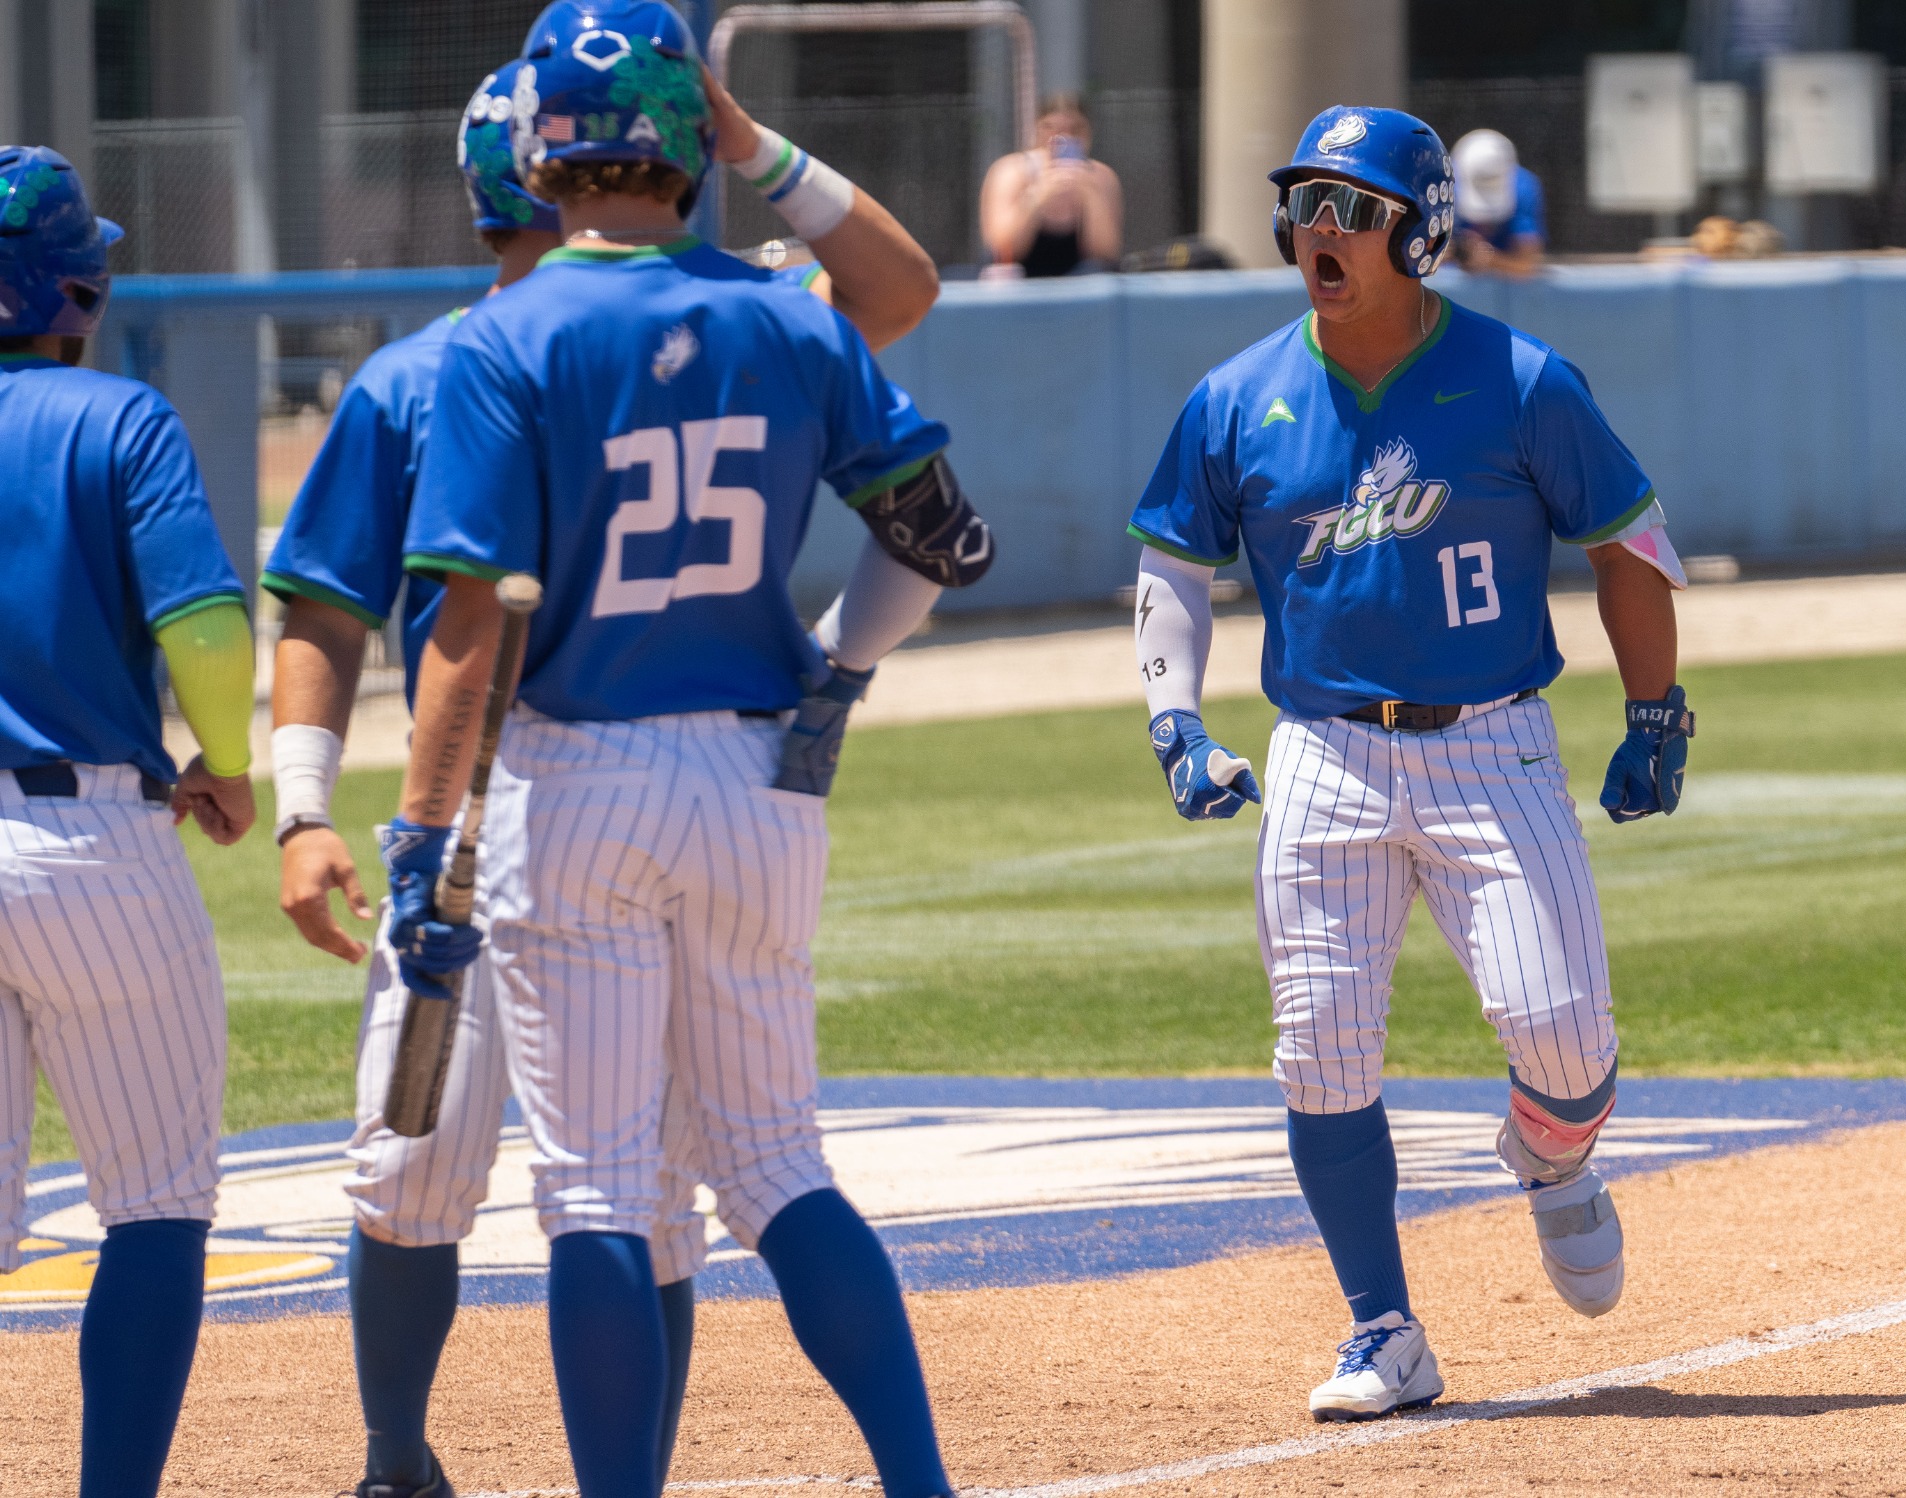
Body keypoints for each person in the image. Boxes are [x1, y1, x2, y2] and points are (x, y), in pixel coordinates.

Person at [260, 33, 948, 1498]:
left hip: (538, 795)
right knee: (721, 1170)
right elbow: (926, 461)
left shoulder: (492, 352)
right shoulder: (753, 309)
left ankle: (578, 1471)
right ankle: (404, 1455)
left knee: (565, 1191)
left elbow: (432, 620)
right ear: (677, 139)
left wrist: (377, 824)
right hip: (736, 772)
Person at [1126, 106, 1692, 1422]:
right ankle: (1383, 1326)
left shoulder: (1520, 380)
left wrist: (1656, 711)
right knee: (1318, 1056)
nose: (1321, 230)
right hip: (1322, 751)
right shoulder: (1237, 396)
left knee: (1563, 1040)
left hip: (1492, 740)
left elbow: (1629, 539)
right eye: (1307, 205)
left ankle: (1552, 1163)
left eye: (1352, 207)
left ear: (1417, 229)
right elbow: (1173, 564)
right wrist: (1176, 720)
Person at [0, 146, 256, 1497]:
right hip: (91, 847)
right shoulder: (118, 420)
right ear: (72, 288)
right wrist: (225, 762)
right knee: (155, 1201)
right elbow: (204, 623)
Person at [979, 94, 1123, 276]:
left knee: (1099, 273)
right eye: (1051, 130)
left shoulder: (1101, 177)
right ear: (1038, 132)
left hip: (1078, 272)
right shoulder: (1011, 171)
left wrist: (1090, 195)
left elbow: (1106, 254)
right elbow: (1002, 249)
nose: (1063, 138)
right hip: (1023, 269)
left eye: (1075, 130)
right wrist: (1037, 197)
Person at [1448, 128, 1544, 276]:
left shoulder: (1524, 189)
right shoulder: (1441, 187)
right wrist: (1448, 253)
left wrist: (1489, 259)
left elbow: (1528, 264)